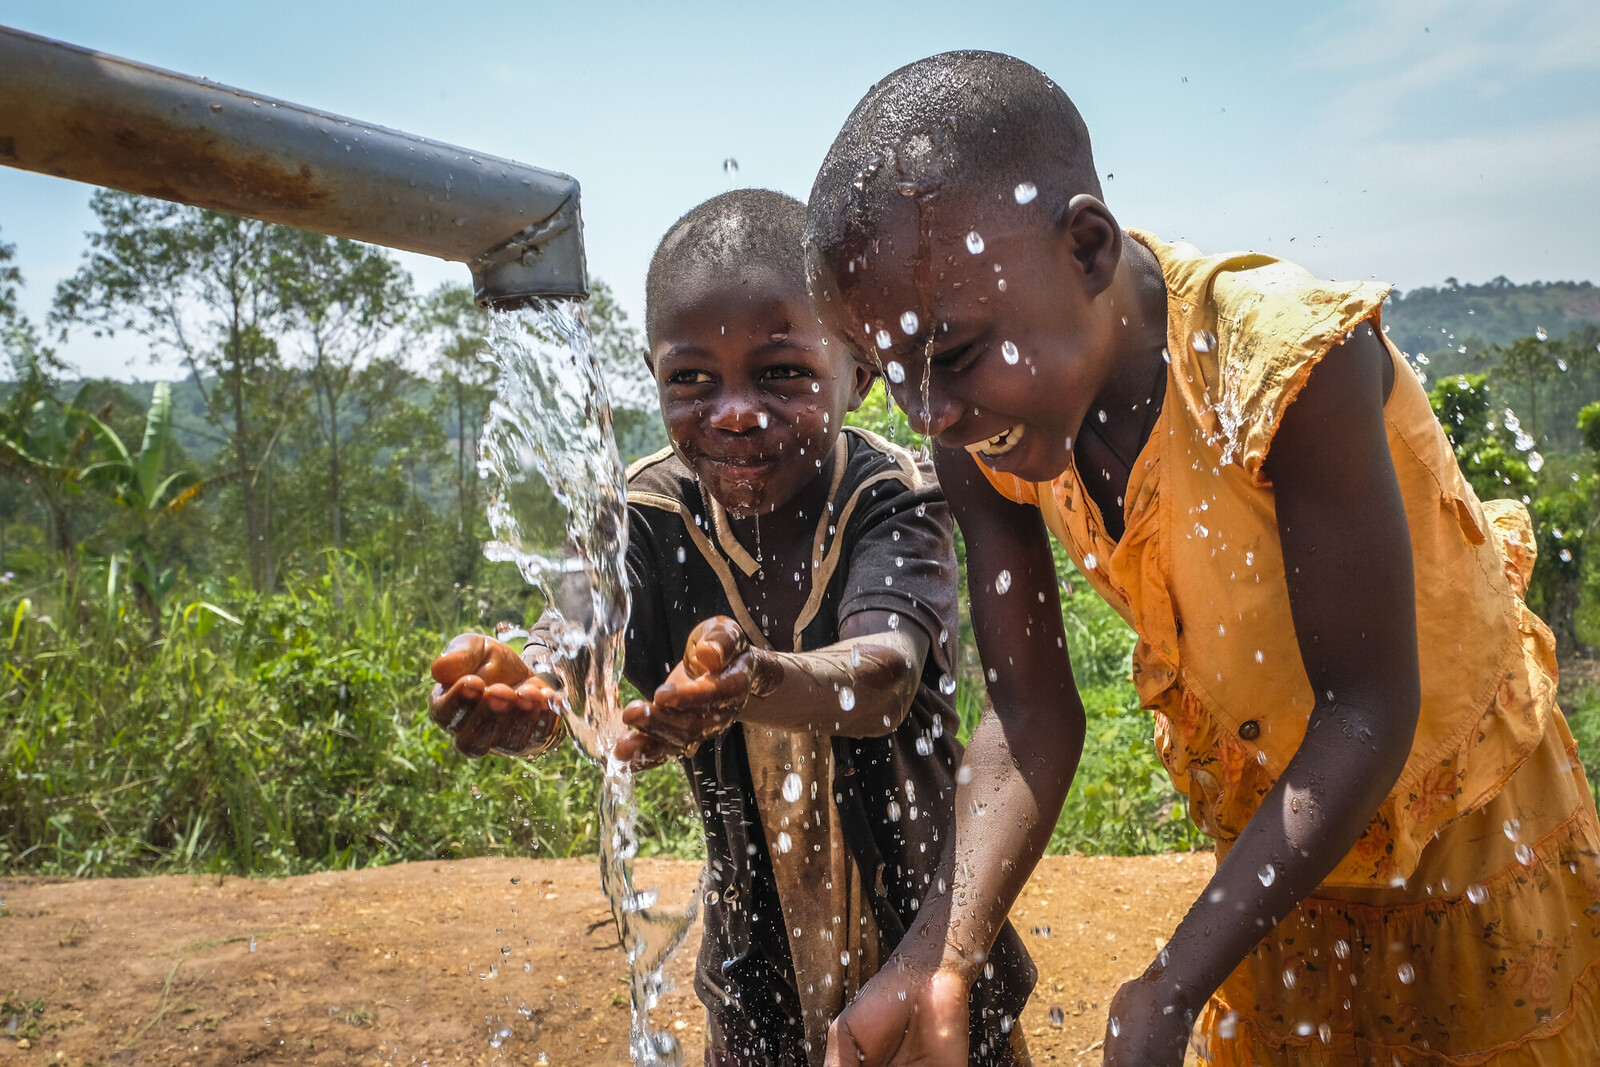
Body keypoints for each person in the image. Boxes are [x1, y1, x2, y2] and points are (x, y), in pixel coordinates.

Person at [801, 51, 1600, 1067]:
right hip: (1280, 850)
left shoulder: (1285, 370)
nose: (930, 415)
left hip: (1465, 833)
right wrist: (937, 956)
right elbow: (1033, 711)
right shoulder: (982, 430)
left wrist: (1174, 980)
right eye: (890, 381)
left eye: (952, 354)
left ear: (1086, 248)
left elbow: (1367, 710)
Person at [428, 189, 1034, 1067]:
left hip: (924, 945)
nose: (735, 410)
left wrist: (754, 678)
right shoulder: (641, 515)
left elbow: (884, 677)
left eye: (782, 372)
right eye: (691, 379)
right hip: (756, 966)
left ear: (857, 370)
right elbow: (576, 633)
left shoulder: (892, 500)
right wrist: (537, 681)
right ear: (653, 376)